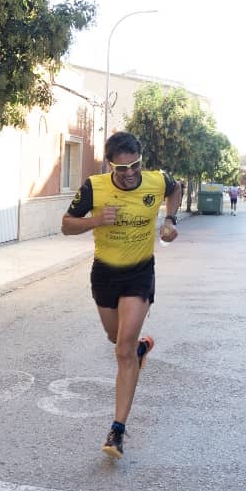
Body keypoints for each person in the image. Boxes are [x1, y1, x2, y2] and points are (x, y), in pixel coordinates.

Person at [61, 132, 182, 460]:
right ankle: (140, 348)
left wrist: (170, 220)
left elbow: (175, 189)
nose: (129, 173)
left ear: (141, 160)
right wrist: (96, 220)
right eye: (121, 168)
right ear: (110, 165)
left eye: (135, 165)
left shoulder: (157, 180)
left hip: (139, 274)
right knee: (116, 338)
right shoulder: (94, 187)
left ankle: (117, 431)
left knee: (122, 350)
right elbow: (66, 225)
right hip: (105, 275)